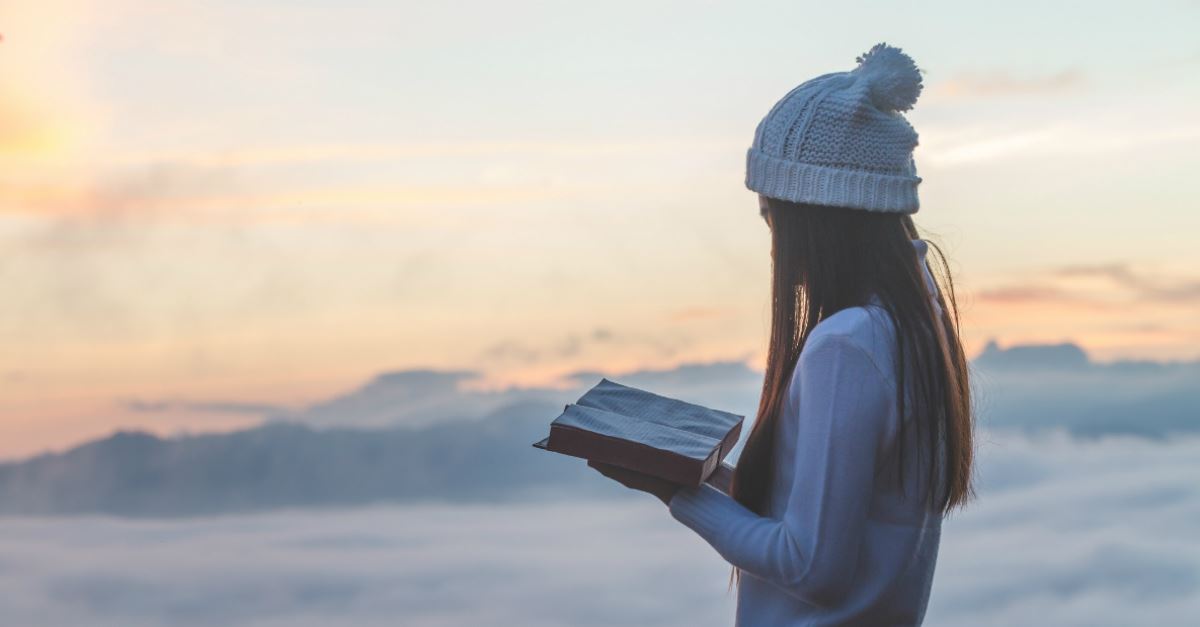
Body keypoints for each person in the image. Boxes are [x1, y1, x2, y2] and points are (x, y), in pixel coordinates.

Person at [589, 43, 977, 625]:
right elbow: (835, 510)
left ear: (817, 214)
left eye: (774, 217)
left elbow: (811, 568)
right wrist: (705, 474)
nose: (773, 240)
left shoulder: (848, 345)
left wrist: (674, 495)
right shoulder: (918, 318)